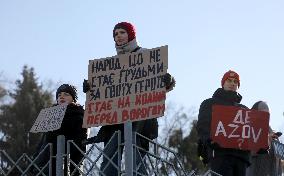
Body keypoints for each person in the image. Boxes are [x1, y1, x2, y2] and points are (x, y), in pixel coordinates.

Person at [82, 21, 175, 176]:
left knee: (137, 158)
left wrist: (168, 81)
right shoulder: (110, 65)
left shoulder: (146, 56)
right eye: (116, 34)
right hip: (114, 121)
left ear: (131, 34)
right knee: (109, 158)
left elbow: (160, 83)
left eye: (122, 32)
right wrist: (91, 88)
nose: (118, 36)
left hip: (140, 119)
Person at [196, 70, 250, 176]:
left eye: (235, 82)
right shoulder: (210, 103)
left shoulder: (244, 110)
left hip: (241, 158)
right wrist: (209, 139)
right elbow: (203, 125)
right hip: (220, 154)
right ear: (223, 83)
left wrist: (261, 145)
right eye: (229, 80)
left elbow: (251, 132)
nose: (232, 83)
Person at [33, 84, 87, 176]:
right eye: (59, 95)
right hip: (47, 166)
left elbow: (79, 142)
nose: (61, 96)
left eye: (66, 94)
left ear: (73, 98)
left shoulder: (79, 116)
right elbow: (43, 142)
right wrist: (35, 161)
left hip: (69, 165)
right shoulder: (51, 117)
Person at [246, 101, 282, 176]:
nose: (266, 116)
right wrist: (265, 140)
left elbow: (278, 161)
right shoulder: (248, 131)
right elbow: (248, 153)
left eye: (268, 114)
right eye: (263, 113)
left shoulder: (274, 136)